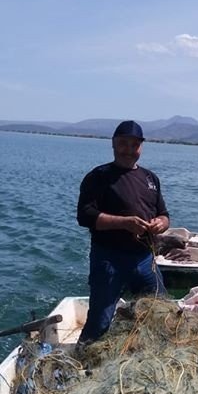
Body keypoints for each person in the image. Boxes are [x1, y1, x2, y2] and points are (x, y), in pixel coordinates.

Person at [76, 120, 170, 343]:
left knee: (160, 312)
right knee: (100, 320)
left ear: (141, 147)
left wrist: (160, 223)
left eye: (134, 145)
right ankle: (84, 357)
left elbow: (165, 215)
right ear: (113, 144)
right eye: (123, 144)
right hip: (109, 259)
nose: (129, 150)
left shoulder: (150, 179)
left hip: (145, 259)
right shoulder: (98, 177)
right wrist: (124, 222)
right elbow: (85, 216)